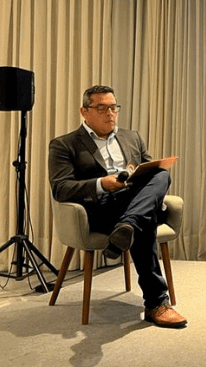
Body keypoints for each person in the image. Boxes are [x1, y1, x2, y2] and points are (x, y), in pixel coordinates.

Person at [48, 85, 187, 328]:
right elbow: (61, 188)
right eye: (102, 108)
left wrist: (140, 174)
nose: (110, 113)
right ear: (85, 111)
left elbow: (150, 175)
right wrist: (102, 184)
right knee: (146, 220)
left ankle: (128, 225)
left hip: (131, 206)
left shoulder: (131, 137)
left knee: (162, 174)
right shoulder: (64, 144)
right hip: (98, 208)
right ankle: (157, 303)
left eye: (113, 107)